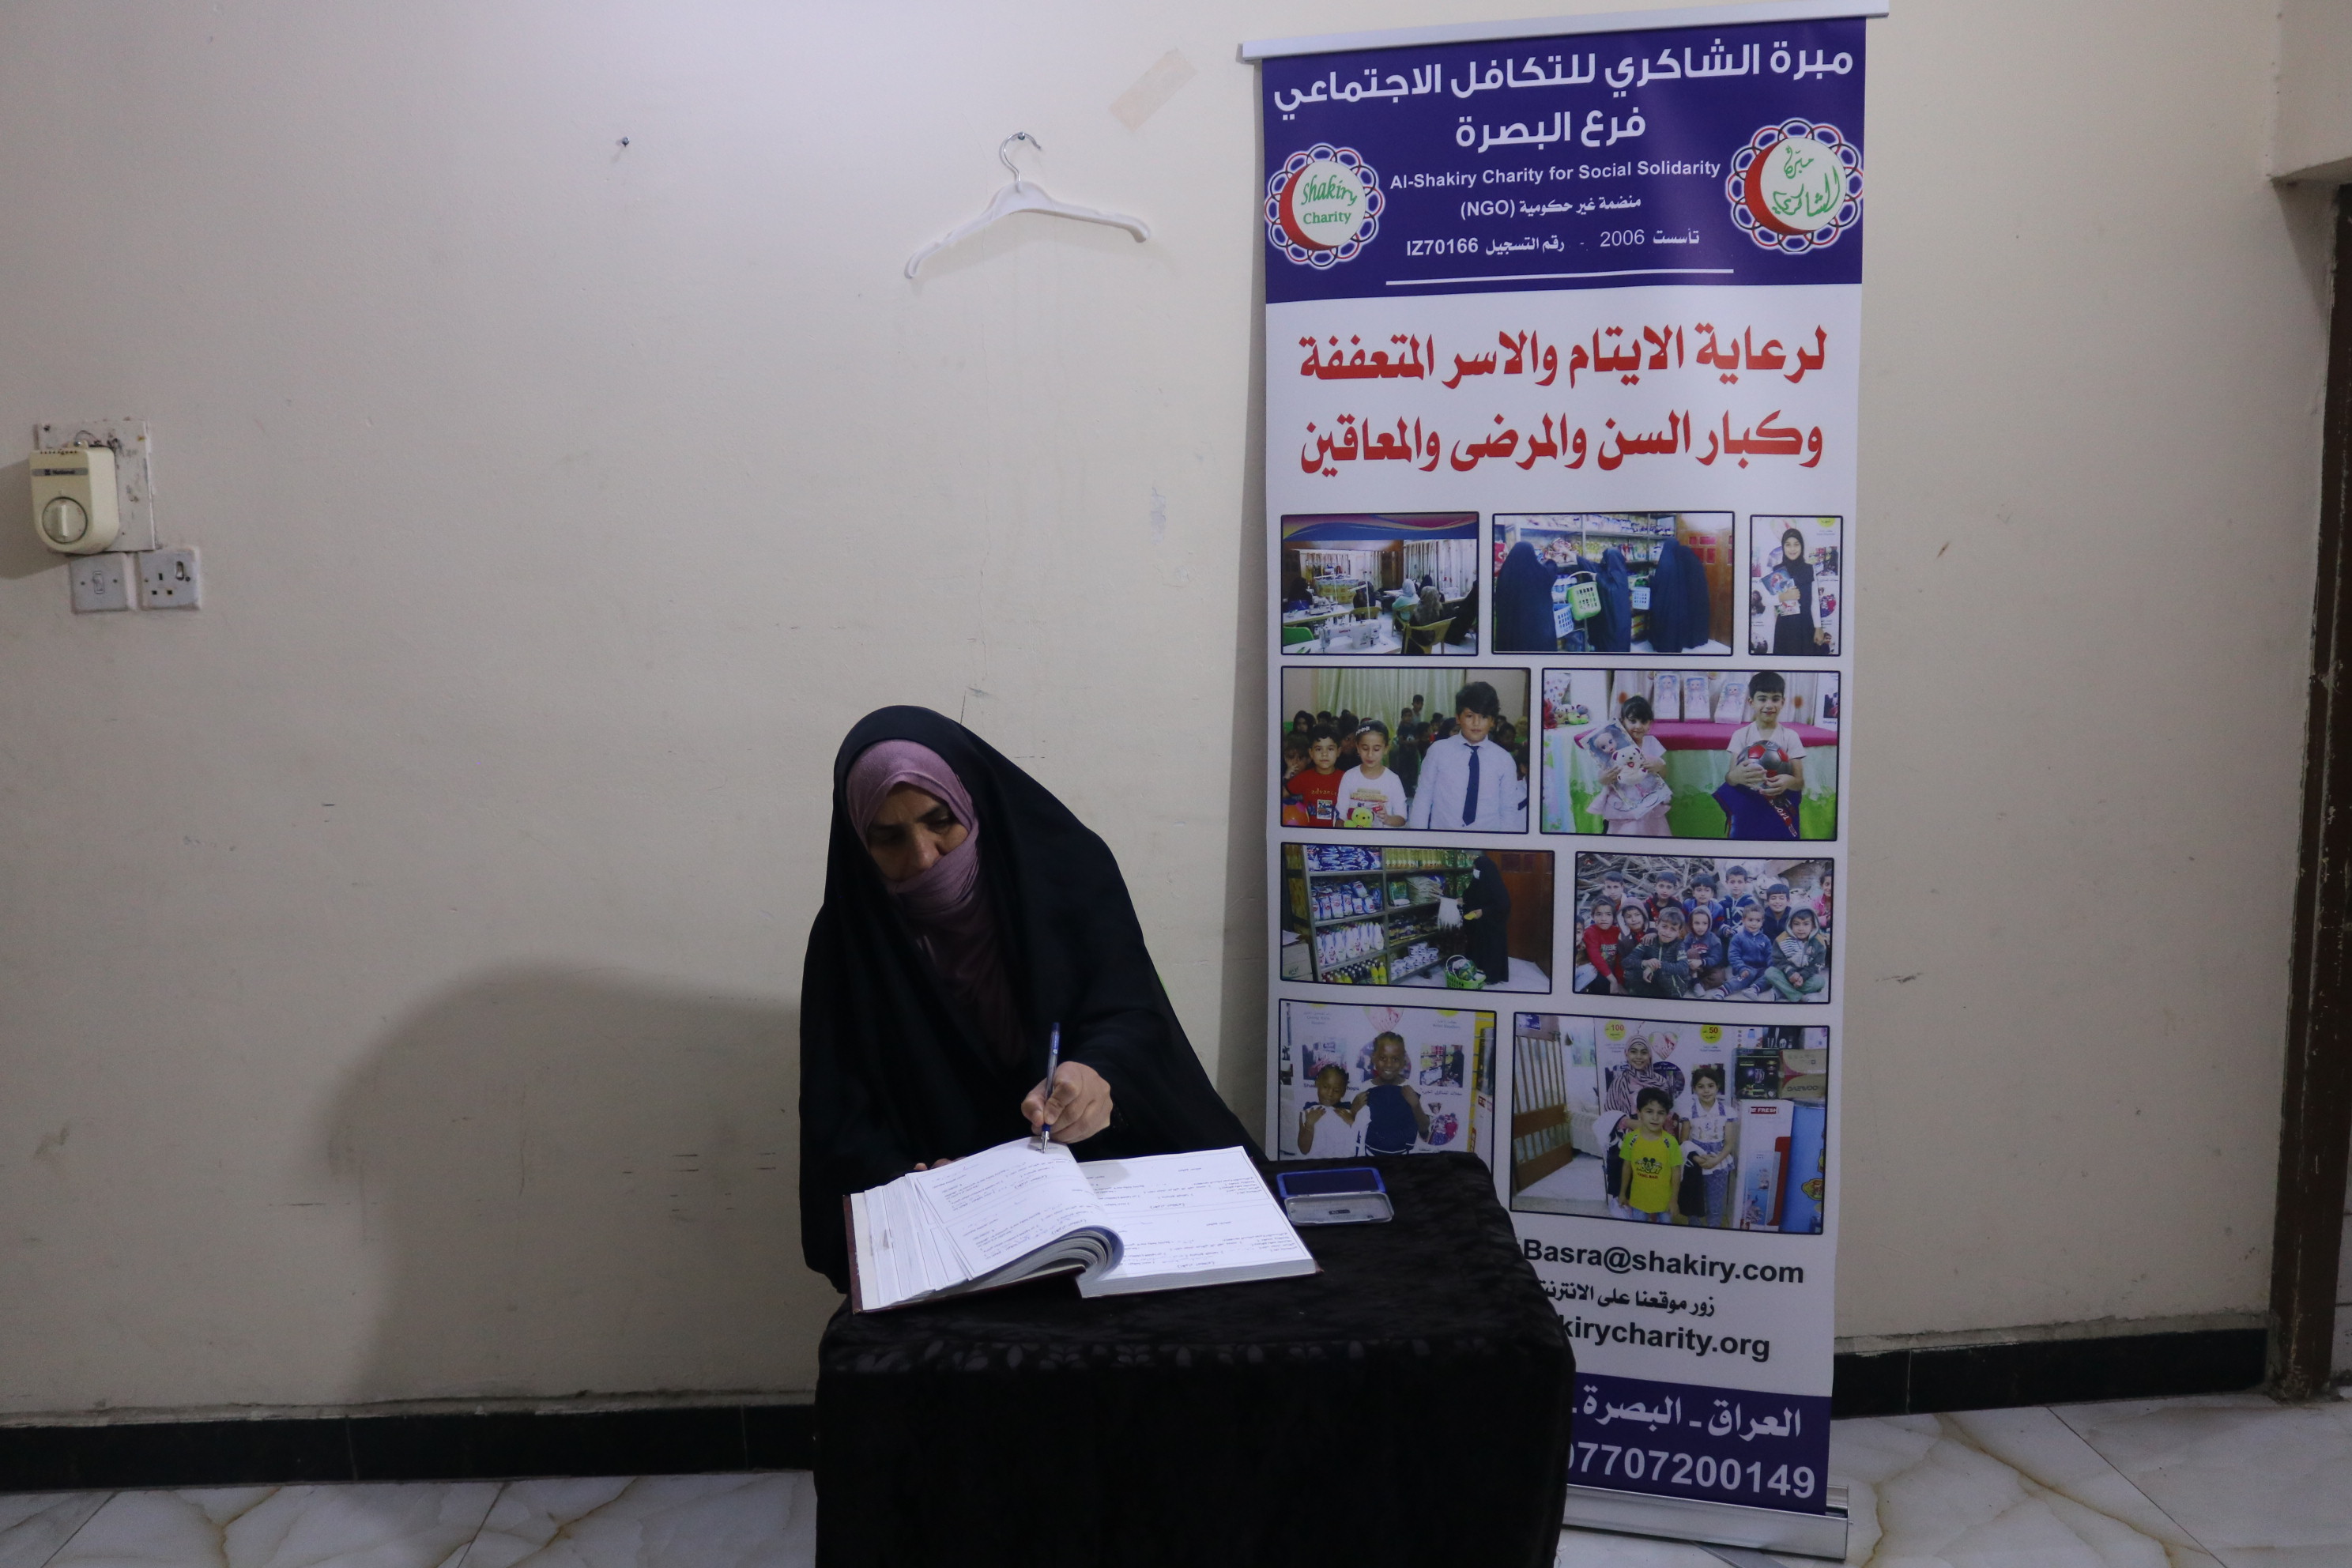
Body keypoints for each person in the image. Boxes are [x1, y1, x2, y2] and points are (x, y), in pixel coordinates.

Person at [798, 707, 1256, 1293]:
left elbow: (1130, 1010)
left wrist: (1096, 1074)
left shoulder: (1066, 870)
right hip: (961, 1226)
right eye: (888, 838)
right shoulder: (848, 941)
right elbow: (840, 1117)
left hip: (1118, 1179)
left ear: (972, 802)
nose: (923, 857)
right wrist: (908, 1181)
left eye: (941, 821)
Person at [1407, 681, 1519, 831]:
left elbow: (1508, 809)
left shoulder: (1504, 760)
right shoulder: (1438, 751)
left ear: (1492, 721)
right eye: (1470, 716)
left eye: (1484, 717)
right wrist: (1418, 836)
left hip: (1487, 839)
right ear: (1458, 718)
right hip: (1443, 836)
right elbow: (1423, 797)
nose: (1476, 723)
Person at [1718, 671, 1807, 839]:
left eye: (1775, 699)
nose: (1769, 705)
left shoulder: (1790, 736)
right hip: (1749, 806)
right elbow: (1730, 778)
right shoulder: (1741, 735)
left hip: (1780, 805)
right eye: (1762, 699)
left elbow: (1799, 782)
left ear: (1783, 702)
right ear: (1751, 702)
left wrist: (1789, 782)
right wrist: (1736, 776)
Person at [1352, 1031, 1429, 1155]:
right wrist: (1354, 1110)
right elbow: (1355, 1128)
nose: (1389, 1064)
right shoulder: (1365, 1089)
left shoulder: (1413, 1089)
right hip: (1370, 1155)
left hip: (1403, 1159)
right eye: (1383, 1058)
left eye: (1395, 1059)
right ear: (1374, 1058)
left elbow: (1424, 1129)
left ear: (1403, 1062)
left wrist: (1416, 1106)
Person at [1680, 1065, 1737, 1228]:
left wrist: (1716, 1160)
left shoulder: (1728, 1112)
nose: (1706, 1091)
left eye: (1710, 1086)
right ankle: (1694, 1231)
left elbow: (1729, 1143)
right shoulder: (1688, 1112)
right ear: (1694, 1088)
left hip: (1719, 1162)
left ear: (1717, 1087)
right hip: (1695, 1164)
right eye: (1701, 1086)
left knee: (1715, 1204)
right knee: (1694, 1201)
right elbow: (1684, 1141)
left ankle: (1713, 1232)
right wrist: (1697, 1159)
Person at [1617, 1087, 1683, 1223]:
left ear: (1666, 1115)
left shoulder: (1671, 1142)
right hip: (1638, 1200)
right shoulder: (1630, 1139)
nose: (1655, 1117)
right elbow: (1626, 1167)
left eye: (1661, 1113)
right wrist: (1622, 1193)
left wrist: (1674, 1200)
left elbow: (1676, 1173)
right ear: (1639, 1112)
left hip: (1664, 1202)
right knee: (1640, 1233)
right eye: (1649, 1111)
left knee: (1665, 1232)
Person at [1765, 527, 1830, 657]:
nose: (1792, 549)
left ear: (1802, 546)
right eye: (1788, 545)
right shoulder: (1777, 570)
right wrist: (1784, 597)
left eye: (1796, 544)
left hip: (1806, 625)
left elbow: (1814, 601)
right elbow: (1766, 600)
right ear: (1783, 547)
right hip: (1785, 626)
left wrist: (1818, 627)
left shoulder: (1809, 569)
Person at [1336, 722, 1409, 827]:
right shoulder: (1349, 777)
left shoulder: (1393, 780)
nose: (1370, 755)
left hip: (1381, 838)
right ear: (1357, 747)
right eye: (1365, 748)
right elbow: (1340, 815)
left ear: (1386, 748)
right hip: (1353, 837)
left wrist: (1387, 819)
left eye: (1376, 749)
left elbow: (1402, 819)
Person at [1493, 539, 1559, 653]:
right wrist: (1551, 561)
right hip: (1537, 629)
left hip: (1512, 630)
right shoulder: (1538, 572)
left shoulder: (1505, 573)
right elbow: (1550, 573)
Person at [1460, 850, 1513, 985]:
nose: (1474, 871)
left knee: (1491, 950)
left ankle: (1492, 976)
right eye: (1474, 868)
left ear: (1485, 870)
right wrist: (1462, 899)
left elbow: (1503, 905)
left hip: (1492, 927)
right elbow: (1470, 895)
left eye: (1476, 869)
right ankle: (1476, 972)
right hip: (1478, 925)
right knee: (1476, 948)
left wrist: (1484, 911)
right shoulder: (1477, 882)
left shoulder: (1496, 885)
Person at [1625, 903, 1694, 999]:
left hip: (1673, 986)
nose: (1667, 932)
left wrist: (1655, 966)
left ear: (1679, 932)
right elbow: (1627, 962)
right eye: (1664, 927)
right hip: (1653, 982)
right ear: (1657, 924)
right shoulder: (1649, 941)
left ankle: (1673, 1000)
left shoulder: (1678, 945)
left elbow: (1684, 968)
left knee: (1664, 973)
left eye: (1673, 929)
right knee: (1630, 973)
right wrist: (1646, 963)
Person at [1763, 906, 1829, 1001]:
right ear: (1790, 924)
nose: (1801, 929)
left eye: (1806, 924)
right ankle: (1799, 997)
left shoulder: (1819, 942)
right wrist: (1791, 973)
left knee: (1820, 981)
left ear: (1813, 926)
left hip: (1806, 977)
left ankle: (1783, 991)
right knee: (1770, 972)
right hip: (1786, 975)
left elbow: (1817, 965)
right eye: (1796, 924)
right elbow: (1778, 961)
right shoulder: (1781, 939)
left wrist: (1802, 976)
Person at [1298, 1063, 1360, 1158]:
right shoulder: (1308, 1112)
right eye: (1325, 1087)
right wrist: (1309, 1125)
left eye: (1336, 1091)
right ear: (1317, 1083)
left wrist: (1352, 1122)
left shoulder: (1349, 1111)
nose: (1330, 1094)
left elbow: (1359, 1142)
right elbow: (1304, 1150)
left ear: (1343, 1092)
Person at [1290, 725, 1346, 827]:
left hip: (1337, 834)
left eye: (1330, 749)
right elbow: (1280, 796)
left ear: (1338, 752)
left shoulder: (1346, 778)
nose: (1324, 754)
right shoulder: (1303, 778)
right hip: (1309, 834)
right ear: (1311, 753)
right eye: (1319, 749)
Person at [1724, 903, 1775, 998]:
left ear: (1762, 922)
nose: (1754, 924)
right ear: (1743, 920)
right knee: (1746, 976)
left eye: (1758, 921)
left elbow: (1769, 955)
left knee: (1771, 976)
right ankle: (1724, 989)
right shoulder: (1738, 937)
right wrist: (1741, 968)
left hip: (1760, 969)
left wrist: (1772, 967)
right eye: (1750, 920)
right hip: (1744, 968)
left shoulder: (1765, 939)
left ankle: (1754, 989)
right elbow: (1733, 956)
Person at [1579, 899, 1626, 994]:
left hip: (1613, 969)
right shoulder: (1590, 932)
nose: (1604, 919)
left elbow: (1619, 958)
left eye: (1608, 914)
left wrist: (1619, 982)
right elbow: (1595, 957)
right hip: (1596, 970)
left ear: (1614, 917)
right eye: (1599, 914)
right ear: (1593, 916)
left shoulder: (1617, 932)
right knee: (1601, 982)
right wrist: (1613, 980)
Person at [1684, 904, 1727, 997]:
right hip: (1693, 969)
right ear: (1691, 924)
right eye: (1697, 923)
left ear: (1709, 924)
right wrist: (1689, 962)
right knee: (1691, 952)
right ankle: (1694, 979)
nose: (1700, 927)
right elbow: (1683, 953)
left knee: (1719, 977)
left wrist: (1702, 962)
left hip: (1709, 967)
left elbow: (1716, 958)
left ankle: (1698, 984)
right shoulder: (1689, 937)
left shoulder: (1714, 939)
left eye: (1704, 923)